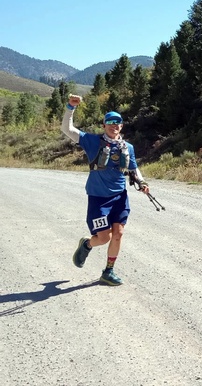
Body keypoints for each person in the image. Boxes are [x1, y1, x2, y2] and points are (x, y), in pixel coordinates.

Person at [60, 94, 149, 286]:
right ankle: (87, 244)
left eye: (117, 122)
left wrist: (141, 182)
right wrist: (70, 107)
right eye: (110, 122)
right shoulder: (92, 141)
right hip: (98, 198)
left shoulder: (128, 147)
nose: (114, 125)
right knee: (103, 237)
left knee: (118, 234)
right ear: (104, 125)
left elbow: (133, 168)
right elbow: (67, 129)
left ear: (121, 126)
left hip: (120, 197)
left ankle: (108, 271)